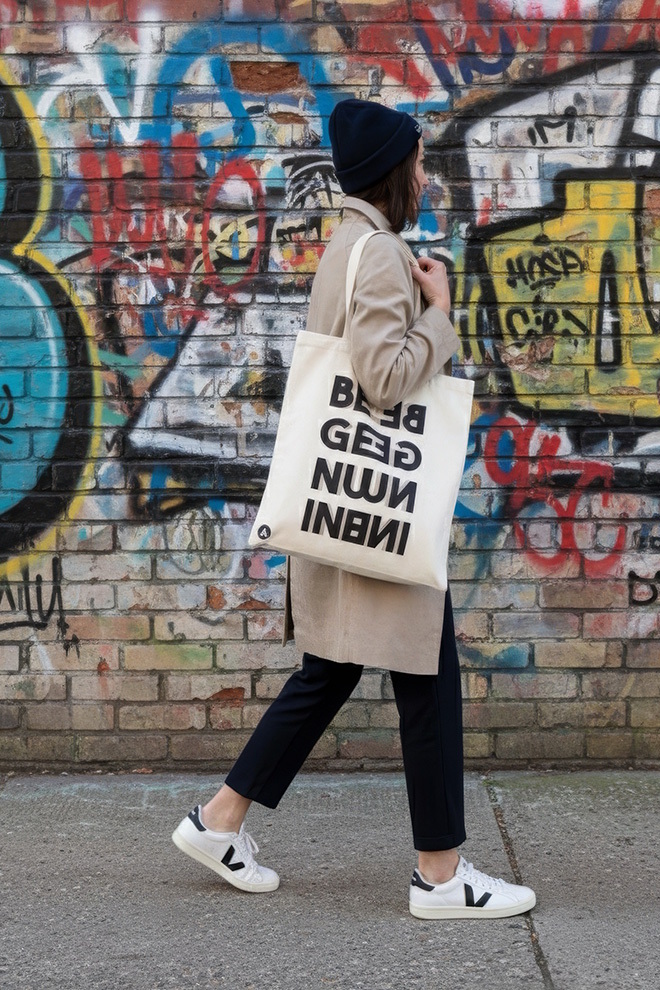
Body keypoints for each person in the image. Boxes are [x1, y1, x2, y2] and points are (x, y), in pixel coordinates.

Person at [172, 99, 536, 920]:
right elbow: (382, 378)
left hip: (347, 500)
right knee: (425, 677)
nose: (425, 175)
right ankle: (440, 877)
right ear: (393, 170)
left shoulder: (347, 243)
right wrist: (439, 315)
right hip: (379, 503)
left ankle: (219, 820)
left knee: (332, 669)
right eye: (418, 161)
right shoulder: (380, 254)